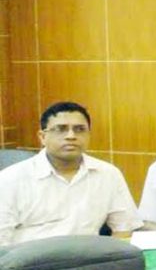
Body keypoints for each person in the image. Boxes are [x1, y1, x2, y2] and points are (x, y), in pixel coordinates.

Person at [0, 101, 142, 245]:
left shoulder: (108, 174)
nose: (71, 136)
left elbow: (124, 230)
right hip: (30, 263)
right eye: (60, 129)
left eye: (80, 129)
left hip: (89, 261)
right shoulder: (11, 179)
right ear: (42, 137)